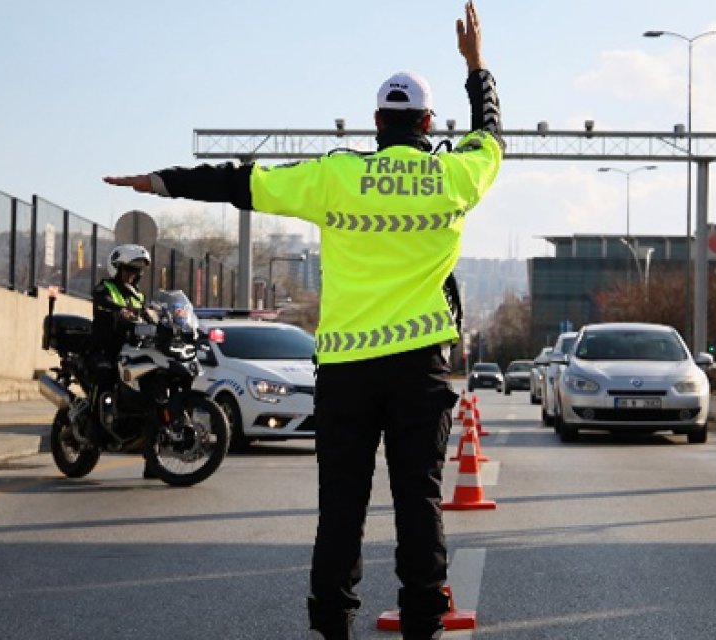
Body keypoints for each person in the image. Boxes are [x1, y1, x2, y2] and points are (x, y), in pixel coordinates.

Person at [104, 3, 500, 636]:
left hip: (345, 373)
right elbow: (491, 136)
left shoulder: (336, 176)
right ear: (428, 123)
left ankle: (332, 626)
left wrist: (160, 181)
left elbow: (241, 182)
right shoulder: (455, 176)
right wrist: (476, 66)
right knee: (418, 502)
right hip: (420, 367)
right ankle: (425, 624)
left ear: (376, 123)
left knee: (341, 507)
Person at [90, 243, 157, 478]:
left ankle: (153, 462)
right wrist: (119, 310)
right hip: (106, 350)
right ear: (116, 268)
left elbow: (149, 315)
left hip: (132, 352)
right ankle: (96, 428)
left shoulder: (138, 295)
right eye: (128, 269)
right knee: (106, 379)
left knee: (151, 399)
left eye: (136, 271)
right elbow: (102, 298)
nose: (133, 274)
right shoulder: (105, 288)